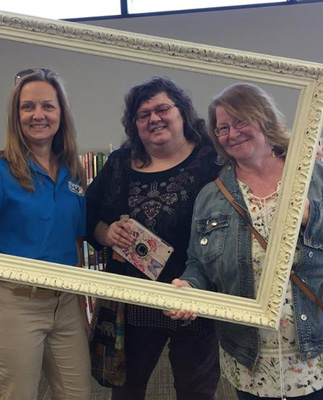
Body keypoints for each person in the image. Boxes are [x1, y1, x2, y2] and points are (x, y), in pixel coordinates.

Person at [167, 83, 323, 399]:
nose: (231, 133)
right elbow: (198, 265)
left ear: (263, 119)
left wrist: (313, 214)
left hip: (321, 355)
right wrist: (189, 289)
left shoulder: (319, 178)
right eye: (222, 128)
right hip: (252, 361)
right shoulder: (211, 197)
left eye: (240, 121)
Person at [0, 68, 90, 400]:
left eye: (48, 106)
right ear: (16, 116)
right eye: (27, 107)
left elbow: (78, 237)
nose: (38, 115)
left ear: (61, 114)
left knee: (78, 394)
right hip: (15, 304)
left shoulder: (73, 169)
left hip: (66, 302)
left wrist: (84, 303)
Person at [86, 77, 222, 400]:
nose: (153, 119)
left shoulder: (212, 160)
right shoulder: (120, 163)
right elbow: (86, 213)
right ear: (134, 124)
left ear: (182, 113)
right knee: (127, 389)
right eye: (143, 114)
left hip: (193, 299)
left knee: (196, 390)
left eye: (162, 109)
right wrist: (106, 233)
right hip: (134, 300)